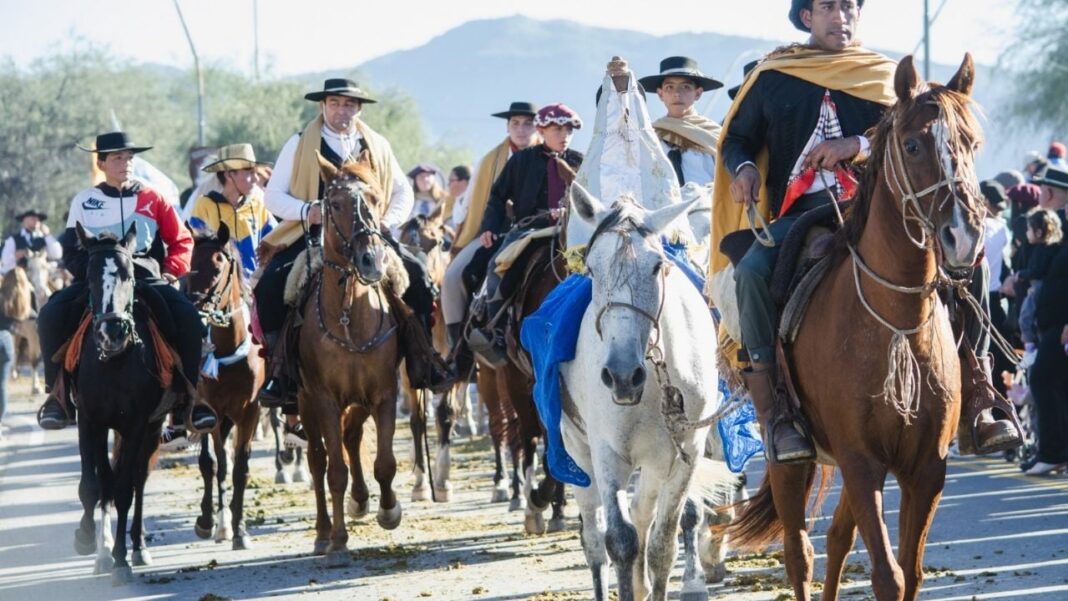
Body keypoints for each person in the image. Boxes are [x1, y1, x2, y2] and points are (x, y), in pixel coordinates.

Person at [715, 0, 1020, 463]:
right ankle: (775, 410)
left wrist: (853, 144)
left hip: (876, 210)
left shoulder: (880, 76)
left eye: (849, 7)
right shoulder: (773, 77)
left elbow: (910, 130)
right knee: (752, 270)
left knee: (967, 264)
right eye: (828, 7)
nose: (841, 16)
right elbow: (737, 137)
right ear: (806, 18)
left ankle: (978, 390)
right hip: (802, 212)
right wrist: (742, 168)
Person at [254, 78, 453, 410]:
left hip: (368, 236)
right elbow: (273, 195)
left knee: (418, 276)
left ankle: (423, 359)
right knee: (270, 286)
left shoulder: (377, 144)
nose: (341, 110)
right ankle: (280, 371)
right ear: (323, 106)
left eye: (348, 104)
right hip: (313, 237)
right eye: (335, 103)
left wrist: (385, 223)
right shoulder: (299, 143)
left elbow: (402, 191)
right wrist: (308, 210)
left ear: (358, 109)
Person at [35, 131, 215, 435]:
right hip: (96, 280)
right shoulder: (84, 200)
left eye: (129, 157)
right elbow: (70, 250)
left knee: (188, 317)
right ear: (102, 163)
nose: (126, 163)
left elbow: (182, 241)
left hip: (145, 277)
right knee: (50, 315)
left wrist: (170, 272)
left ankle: (190, 397)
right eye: (118, 158)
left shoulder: (154, 197)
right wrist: (91, 272)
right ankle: (58, 397)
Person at [469, 103, 584, 360]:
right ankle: (496, 330)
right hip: (531, 229)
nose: (564, 135)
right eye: (557, 129)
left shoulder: (580, 161)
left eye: (568, 130)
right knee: (499, 265)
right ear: (542, 130)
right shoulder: (521, 160)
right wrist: (488, 227)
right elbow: (498, 197)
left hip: (573, 231)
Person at [440, 101, 540, 363]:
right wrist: (477, 226)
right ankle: (458, 351)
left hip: (538, 232)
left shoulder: (548, 154)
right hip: (494, 232)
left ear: (537, 126)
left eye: (527, 123)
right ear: (507, 127)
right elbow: (473, 199)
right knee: (451, 278)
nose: (521, 129)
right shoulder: (489, 160)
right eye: (515, 123)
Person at [1025, 164, 1068, 475]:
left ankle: (1053, 451)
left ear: (1051, 192)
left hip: (1061, 325)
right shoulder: (1059, 226)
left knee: (1042, 378)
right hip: (1050, 323)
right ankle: (1054, 450)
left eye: (1042, 189)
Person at [188, 144, 276, 278]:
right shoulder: (204, 205)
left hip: (255, 286)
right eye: (249, 172)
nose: (256, 179)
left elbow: (276, 240)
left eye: (256, 172)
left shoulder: (258, 206)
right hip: (217, 288)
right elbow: (193, 249)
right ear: (229, 175)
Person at [639, 56, 724, 186]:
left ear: (698, 93)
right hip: (661, 205)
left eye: (685, 87)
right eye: (669, 87)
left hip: (706, 203)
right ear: (660, 94)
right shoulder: (649, 136)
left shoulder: (715, 135)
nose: (677, 94)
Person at [1014, 209, 1062, 364]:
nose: (1027, 233)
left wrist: (1021, 275)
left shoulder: (1042, 250)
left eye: (1029, 229)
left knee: (1025, 316)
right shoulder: (1052, 248)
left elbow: (1038, 270)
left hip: (1037, 288)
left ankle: (1028, 345)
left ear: (1039, 232)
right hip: (1041, 288)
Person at [1, 209, 62, 275]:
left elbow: (57, 254)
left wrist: (47, 235)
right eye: (33, 218)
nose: (36, 221)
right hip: (22, 274)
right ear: (25, 220)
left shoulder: (45, 237)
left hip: (44, 273)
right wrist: (15, 256)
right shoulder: (13, 239)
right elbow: (6, 260)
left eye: (38, 219)